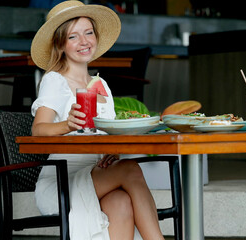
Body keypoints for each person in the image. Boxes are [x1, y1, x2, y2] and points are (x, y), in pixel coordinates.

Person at [29, 1, 164, 239]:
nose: (84, 41)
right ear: (60, 44)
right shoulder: (55, 80)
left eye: (88, 32)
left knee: (121, 201)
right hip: (63, 179)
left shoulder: (102, 86)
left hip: (99, 173)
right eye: (73, 36)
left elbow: (106, 134)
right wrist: (68, 125)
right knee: (131, 170)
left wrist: (113, 150)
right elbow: (37, 131)